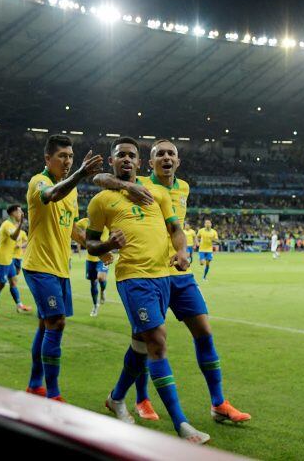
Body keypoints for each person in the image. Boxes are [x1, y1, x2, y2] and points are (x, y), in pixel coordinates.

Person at [95, 139, 250, 425]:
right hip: (146, 273)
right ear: (149, 162)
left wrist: (182, 252)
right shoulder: (138, 182)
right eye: (160, 154)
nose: (166, 158)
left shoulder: (184, 188)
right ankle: (142, 399)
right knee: (145, 340)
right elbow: (101, 177)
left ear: (178, 161)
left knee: (203, 331)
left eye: (171, 154)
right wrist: (128, 186)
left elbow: (175, 228)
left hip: (179, 274)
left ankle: (218, 403)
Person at [86, 137, 211, 444]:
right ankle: (181, 424)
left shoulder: (157, 193)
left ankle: (116, 398)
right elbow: (89, 243)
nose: (126, 159)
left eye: (131, 156)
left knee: (141, 346)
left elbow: (176, 230)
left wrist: (183, 253)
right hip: (132, 277)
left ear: (139, 164)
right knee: (157, 340)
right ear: (114, 161)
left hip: (164, 278)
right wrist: (108, 245)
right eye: (120, 156)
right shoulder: (101, 201)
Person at [23, 135, 104, 401]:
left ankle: (35, 385)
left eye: (70, 157)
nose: (67, 161)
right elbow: (51, 195)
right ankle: (53, 394)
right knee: (57, 323)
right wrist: (81, 173)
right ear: (48, 159)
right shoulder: (40, 181)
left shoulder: (72, 191)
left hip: (60, 268)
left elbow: (73, 230)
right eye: (62, 156)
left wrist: (99, 247)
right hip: (39, 265)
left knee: (46, 326)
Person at [0, 205, 32, 318]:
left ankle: (19, 305)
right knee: (1, 285)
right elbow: (13, 237)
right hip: (1, 259)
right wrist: (21, 223)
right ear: (13, 213)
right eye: (19, 211)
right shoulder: (6, 225)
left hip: (9, 259)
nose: (22, 213)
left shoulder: (12, 225)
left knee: (13, 282)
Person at [75, 217, 113, 317]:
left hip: (103, 256)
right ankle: (95, 306)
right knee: (93, 283)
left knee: (101, 278)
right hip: (90, 257)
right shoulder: (84, 222)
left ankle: (103, 290)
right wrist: (81, 234)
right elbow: (74, 226)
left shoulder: (106, 221)